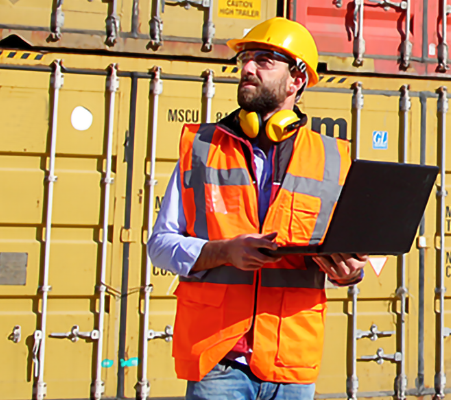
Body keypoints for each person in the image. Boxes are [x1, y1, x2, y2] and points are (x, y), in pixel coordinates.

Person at [146, 17, 369, 400]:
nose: (247, 68)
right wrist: (223, 251)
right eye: (245, 59)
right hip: (219, 360)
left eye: (264, 60)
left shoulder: (332, 158)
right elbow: (159, 245)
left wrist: (350, 273)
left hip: (291, 363)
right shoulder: (202, 149)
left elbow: (347, 254)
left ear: (297, 80)